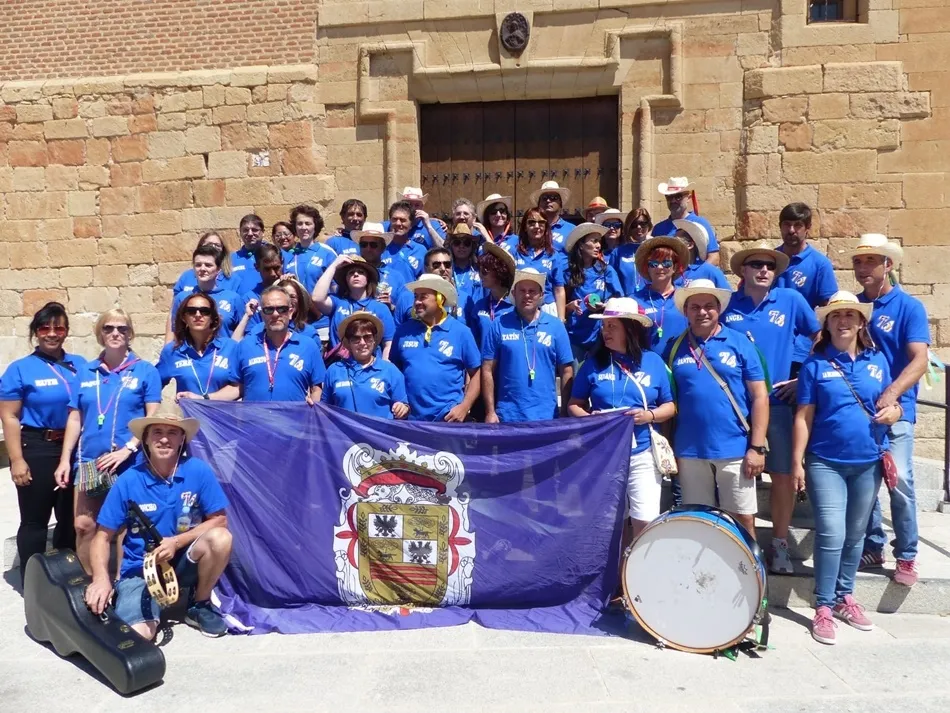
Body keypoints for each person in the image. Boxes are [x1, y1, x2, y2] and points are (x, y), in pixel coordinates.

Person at [792, 292, 902, 645]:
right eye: (836, 316)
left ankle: (845, 597)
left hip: (867, 461)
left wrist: (895, 413)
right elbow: (804, 416)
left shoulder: (878, 361)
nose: (843, 322)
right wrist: (797, 461)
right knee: (831, 532)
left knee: (855, 536)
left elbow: (892, 403)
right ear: (826, 323)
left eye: (850, 316)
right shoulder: (815, 365)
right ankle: (823, 606)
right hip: (825, 462)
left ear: (861, 322)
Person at [84, 406, 232, 639]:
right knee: (139, 637)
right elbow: (102, 537)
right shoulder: (128, 480)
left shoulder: (198, 471)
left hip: (184, 561)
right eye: (157, 432)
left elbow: (219, 520)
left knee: (221, 538)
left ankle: (199, 604)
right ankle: (136, 604)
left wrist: (176, 541)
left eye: (172, 432)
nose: (164, 439)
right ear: (145, 438)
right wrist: (101, 579)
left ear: (183, 438)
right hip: (141, 569)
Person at [722, 240, 820, 575]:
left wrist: (801, 376)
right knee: (737, 475)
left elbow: (820, 335)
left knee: (781, 476)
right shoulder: (728, 305)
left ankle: (779, 544)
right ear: (743, 271)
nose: (764, 270)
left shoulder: (790, 300)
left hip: (778, 403)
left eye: (769, 265)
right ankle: (738, 542)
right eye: (757, 265)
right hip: (735, 407)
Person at [53, 309, 162, 570]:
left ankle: (121, 587)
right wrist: (64, 460)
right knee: (83, 525)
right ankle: (90, 587)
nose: (115, 333)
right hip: (90, 461)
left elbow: (152, 416)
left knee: (124, 527)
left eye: (122, 328)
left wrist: (129, 448)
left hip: (128, 461)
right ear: (100, 333)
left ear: (130, 333)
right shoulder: (86, 372)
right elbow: (75, 418)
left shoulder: (145, 371)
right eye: (109, 328)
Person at [851, 234, 930, 586]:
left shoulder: (908, 307)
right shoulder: (851, 307)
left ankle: (907, 555)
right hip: (859, 413)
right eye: (858, 261)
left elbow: (920, 360)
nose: (863, 267)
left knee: (900, 482)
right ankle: (873, 545)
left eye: (871, 261)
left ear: (888, 265)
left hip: (897, 410)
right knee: (864, 482)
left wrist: (893, 393)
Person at [664, 279, 768, 535]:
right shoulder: (674, 347)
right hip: (689, 451)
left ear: (719, 308)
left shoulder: (739, 343)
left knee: (743, 519)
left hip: (735, 448)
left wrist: (756, 447)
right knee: (698, 521)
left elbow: (760, 396)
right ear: (686, 311)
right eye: (695, 306)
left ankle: (751, 572)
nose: (702, 312)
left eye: (709, 306)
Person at [568, 297, 676, 535]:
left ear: (631, 329)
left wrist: (649, 415)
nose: (606, 332)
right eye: (604, 326)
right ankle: (618, 571)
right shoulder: (592, 364)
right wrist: (591, 418)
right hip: (604, 455)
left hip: (643, 455)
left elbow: (670, 406)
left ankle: (637, 571)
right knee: (612, 524)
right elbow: (574, 405)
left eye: (612, 326)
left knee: (645, 521)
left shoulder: (654, 362)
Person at [1, 303, 86, 584]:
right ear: (36, 332)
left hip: (74, 448)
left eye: (58, 327)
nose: (52, 333)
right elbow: (10, 416)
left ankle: (66, 576)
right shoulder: (20, 370)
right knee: (35, 520)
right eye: (45, 328)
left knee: (69, 519)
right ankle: (34, 582)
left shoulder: (81, 365)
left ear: (67, 331)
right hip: (37, 446)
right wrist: (16, 460)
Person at [482, 269, 574, 423]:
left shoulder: (556, 326)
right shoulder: (499, 324)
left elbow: (567, 370)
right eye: (522, 290)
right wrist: (490, 411)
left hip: (547, 416)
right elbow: (486, 369)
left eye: (532, 291)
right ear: (514, 293)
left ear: (541, 295)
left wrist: (564, 412)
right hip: (508, 416)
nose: (527, 295)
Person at [390, 275, 481, 422]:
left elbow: (476, 374)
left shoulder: (461, 332)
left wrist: (464, 407)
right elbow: (394, 372)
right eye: (416, 296)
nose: (417, 302)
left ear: (440, 299)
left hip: (448, 420)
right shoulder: (403, 331)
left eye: (423, 297)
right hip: (411, 422)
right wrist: (400, 401)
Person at [214, 285, 326, 403]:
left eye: (282, 309)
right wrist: (203, 399)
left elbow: (317, 389)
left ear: (290, 311)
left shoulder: (308, 346)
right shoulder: (245, 346)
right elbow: (236, 388)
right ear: (262, 314)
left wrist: (313, 412)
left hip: (294, 420)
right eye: (269, 309)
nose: (275, 314)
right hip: (254, 420)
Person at [774, 203, 839, 366]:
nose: (791, 230)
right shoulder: (768, 261)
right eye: (787, 225)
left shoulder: (819, 264)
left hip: (800, 351)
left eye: (798, 225)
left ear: (808, 228)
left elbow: (829, 310)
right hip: (770, 344)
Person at [321, 312, 409, 419]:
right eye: (356, 338)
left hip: (379, 435)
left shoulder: (390, 371)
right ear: (348, 342)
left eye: (367, 337)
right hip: (343, 435)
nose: (362, 343)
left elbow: (404, 406)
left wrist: (402, 408)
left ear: (375, 340)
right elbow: (324, 409)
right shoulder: (334, 370)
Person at [158, 292, 240, 401]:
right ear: (184, 317)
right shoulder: (171, 351)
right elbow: (153, 387)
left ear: (213, 318)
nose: (198, 315)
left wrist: (204, 398)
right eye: (191, 311)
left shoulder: (230, 347)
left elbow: (238, 388)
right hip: (188, 417)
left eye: (205, 311)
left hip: (222, 416)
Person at [312, 254, 396, 357]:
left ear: (367, 279)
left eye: (361, 272)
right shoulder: (338, 303)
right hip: (342, 365)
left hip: (370, 367)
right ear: (346, 279)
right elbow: (316, 298)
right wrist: (334, 265)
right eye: (351, 273)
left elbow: (388, 342)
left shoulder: (380, 307)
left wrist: (384, 366)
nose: (355, 274)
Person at [564, 223, 622, 361]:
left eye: (599, 241)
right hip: (574, 337)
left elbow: (619, 300)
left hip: (600, 337)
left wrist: (604, 306)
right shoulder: (568, 273)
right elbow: (561, 306)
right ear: (581, 245)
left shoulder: (607, 271)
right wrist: (570, 306)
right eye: (594, 241)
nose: (598, 246)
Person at [166, 245, 244, 340]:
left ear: (218, 269)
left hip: (222, 353)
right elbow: (175, 332)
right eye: (198, 265)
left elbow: (242, 333)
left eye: (208, 265)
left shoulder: (233, 299)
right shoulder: (182, 298)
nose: (202, 269)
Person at [632, 237, 691, 358]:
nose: (659, 267)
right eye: (653, 263)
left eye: (666, 263)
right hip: (647, 367)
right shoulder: (634, 301)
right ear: (647, 268)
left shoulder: (687, 297)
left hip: (682, 363)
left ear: (674, 267)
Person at [511, 208, 568, 320]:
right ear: (525, 227)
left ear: (546, 227)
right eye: (531, 222)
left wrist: (561, 319)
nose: (537, 226)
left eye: (541, 222)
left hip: (547, 309)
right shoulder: (515, 253)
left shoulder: (553, 255)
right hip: (520, 307)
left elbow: (559, 289)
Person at [393, 248, 471, 326]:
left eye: (447, 265)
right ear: (426, 268)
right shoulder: (407, 297)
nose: (443, 269)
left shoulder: (465, 299)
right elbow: (397, 332)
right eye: (436, 265)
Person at [651, 177, 720, 266]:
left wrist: (695, 274)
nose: (673, 201)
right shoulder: (659, 229)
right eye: (669, 197)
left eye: (678, 197)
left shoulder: (701, 223)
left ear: (688, 198)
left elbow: (714, 257)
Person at [466, 242, 516, 352]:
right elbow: (474, 344)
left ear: (499, 271)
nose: (480, 275)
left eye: (484, 272)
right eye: (479, 270)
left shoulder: (515, 306)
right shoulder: (479, 306)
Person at [351, 221, 413, 307]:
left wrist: (391, 306)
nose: (368, 249)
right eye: (364, 244)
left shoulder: (396, 277)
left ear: (383, 247)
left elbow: (405, 310)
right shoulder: (351, 274)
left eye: (373, 245)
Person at [284, 204, 336, 294]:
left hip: (320, 306)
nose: (304, 228)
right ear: (295, 227)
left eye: (308, 224)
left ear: (315, 226)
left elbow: (335, 287)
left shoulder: (327, 253)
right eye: (300, 224)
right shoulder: (288, 255)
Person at [173, 232, 239, 296]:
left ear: (223, 250)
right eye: (209, 244)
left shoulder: (233, 279)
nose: (213, 247)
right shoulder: (186, 277)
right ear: (200, 246)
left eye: (217, 245)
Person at [672, 220, 730, 288]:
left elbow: (727, 296)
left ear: (690, 245)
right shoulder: (668, 270)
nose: (672, 245)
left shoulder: (709, 271)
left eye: (676, 242)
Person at [611, 207, 654, 296]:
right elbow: (611, 278)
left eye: (643, 223)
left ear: (649, 225)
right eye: (634, 224)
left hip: (650, 301)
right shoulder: (618, 252)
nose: (639, 227)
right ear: (629, 227)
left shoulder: (656, 249)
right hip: (626, 303)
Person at [383, 200, 429, 277]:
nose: (398, 223)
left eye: (403, 220)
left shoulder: (420, 250)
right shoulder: (381, 248)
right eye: (394, 219)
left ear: (411, 224)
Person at [530, 180, 574, 251]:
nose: (548, 201)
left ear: (560, 203)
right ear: (539, 204)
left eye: (553, 197)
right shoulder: (531, 228)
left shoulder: (572, 230)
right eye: (544, 198)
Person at [230, 214, 268, 294]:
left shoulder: (273, 254)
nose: (250, 233)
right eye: (245, 230)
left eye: (254, 230)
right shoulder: (231, 259)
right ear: (240, 232)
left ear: (263, 232)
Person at [446, 223, 482, 303]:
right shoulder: (445, 271)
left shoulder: (480, 270)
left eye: (466, 243)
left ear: (472, 247)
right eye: (457, 243)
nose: (461, 246)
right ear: (451, 246)